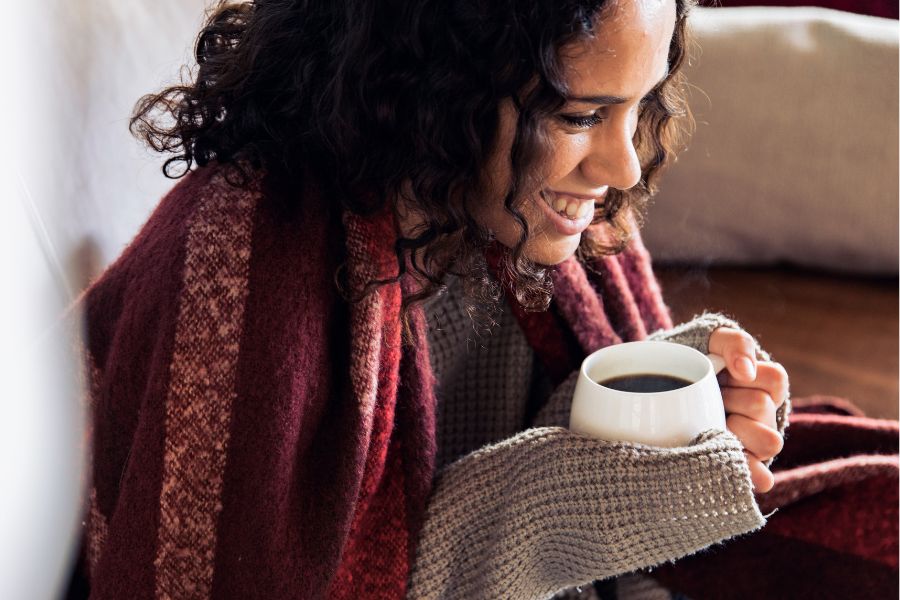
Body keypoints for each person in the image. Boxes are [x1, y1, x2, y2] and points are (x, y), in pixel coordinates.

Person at [77, 0, 790, 598]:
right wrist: (568, 499)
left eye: (641, 104)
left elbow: (520, 432)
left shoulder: (510, 210)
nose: (624, 164)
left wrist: (685, 404)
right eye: (579, 117)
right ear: (438, 81)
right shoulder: (246, 265)